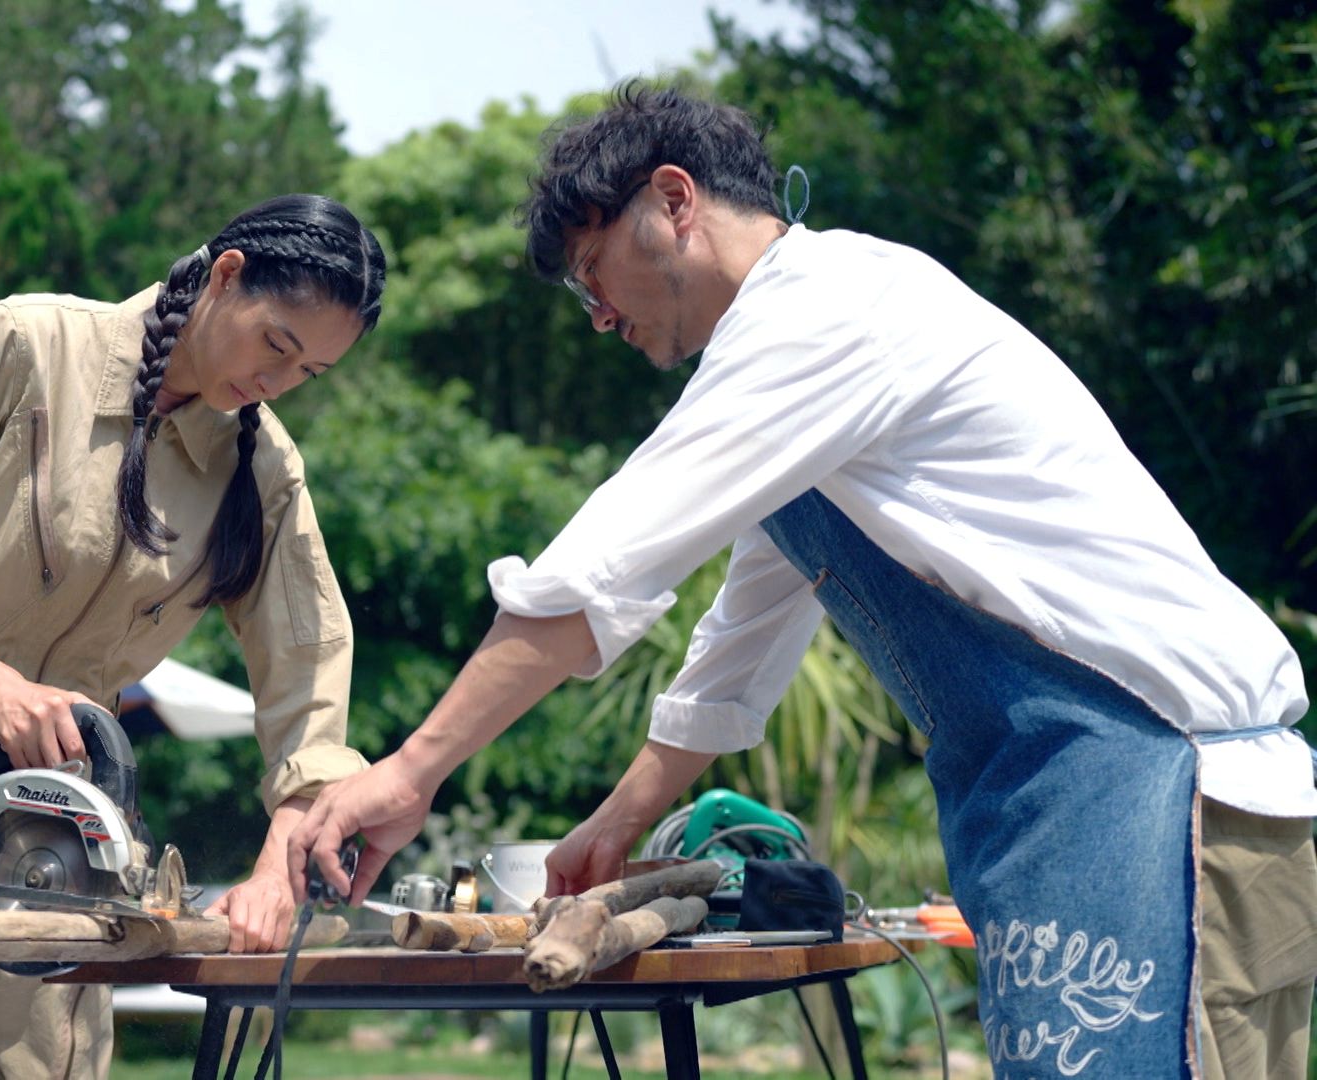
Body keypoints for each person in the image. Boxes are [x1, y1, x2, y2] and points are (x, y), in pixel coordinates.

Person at [287, 85, 1317, 1079]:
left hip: (1159, 793)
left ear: (675, 202)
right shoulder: (811, 359)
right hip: (1132, 798)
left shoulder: (826, 315)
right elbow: (743, 636)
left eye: (594, 272)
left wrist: (410, 770)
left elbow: (603, 564)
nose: (597, 316)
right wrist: (616, 823)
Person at [0, 194, 386, 1079]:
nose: (278, 382)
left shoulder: (263, 470)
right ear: (225, 276)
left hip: (58, 831)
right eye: (277, 346)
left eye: (308, 373)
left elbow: (310, 672)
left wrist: (276, 865)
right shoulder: (27, 344)